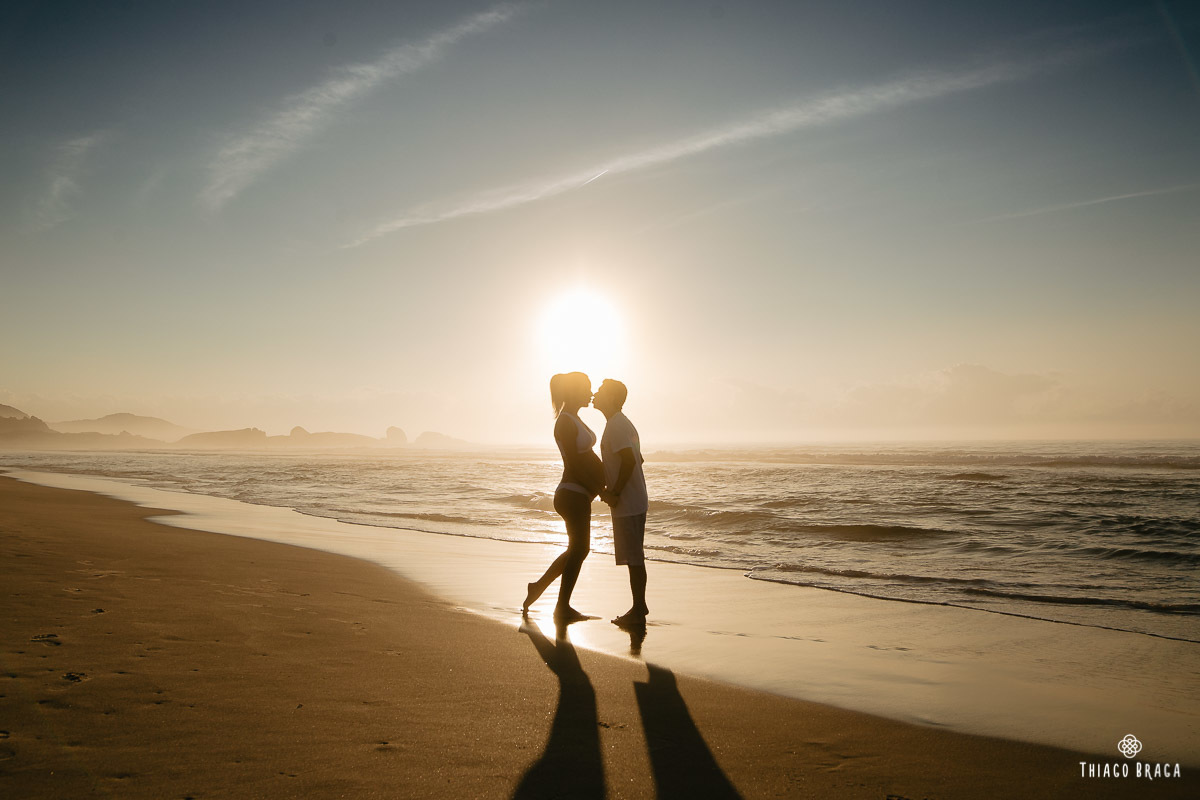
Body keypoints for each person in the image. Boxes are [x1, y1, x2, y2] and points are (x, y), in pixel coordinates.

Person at [523, 372, 604, 623]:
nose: (590, 393)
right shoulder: (565, 422)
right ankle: (562, 607)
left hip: (578, 494)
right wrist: (602, 490)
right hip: (572, 494)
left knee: (576, 550)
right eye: (586, 388)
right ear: (573, 391)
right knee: (580, 549)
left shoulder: (574, 419)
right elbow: (577, 464)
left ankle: (538, 588)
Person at [592, 379, 649, 627]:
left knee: (634, 558)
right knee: (634, 557)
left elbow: (629, 461)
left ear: (613, 399)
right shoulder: (618, 424)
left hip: (629, 502)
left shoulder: (616, 425)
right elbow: (639, 458)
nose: (595, 394)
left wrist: (614, 490)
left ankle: (638, 609)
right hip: (633, 499)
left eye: (601, 392)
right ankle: (639, 606)